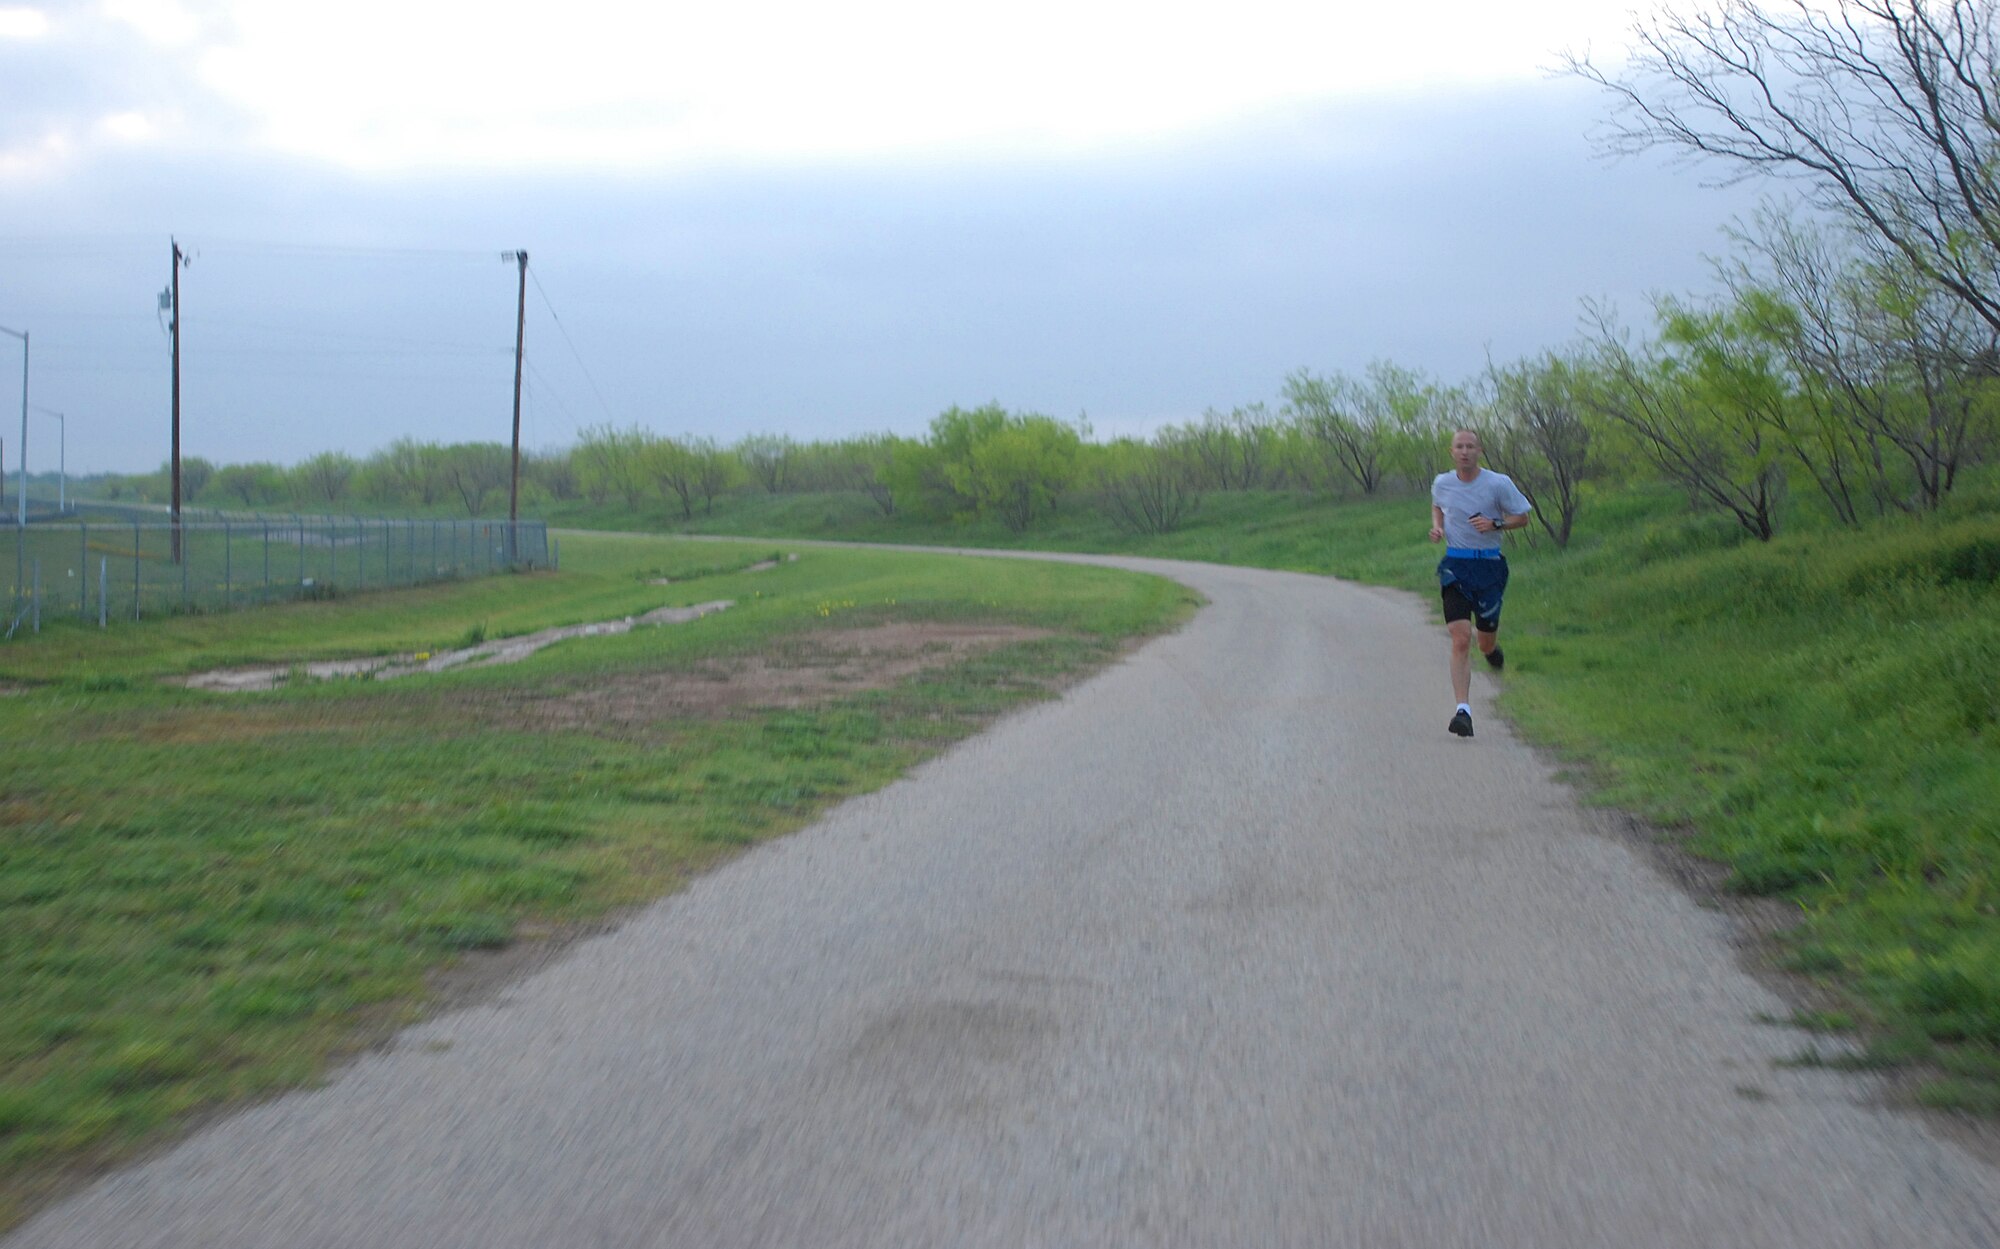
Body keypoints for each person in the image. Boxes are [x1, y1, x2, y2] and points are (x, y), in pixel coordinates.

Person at [1427, 428, 1532, 738]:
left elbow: (1523, 517)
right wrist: (1438, 528)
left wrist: (1495, 523)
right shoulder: (1442, 482)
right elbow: (1437, 506)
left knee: (1483, 639)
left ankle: (1491, 649)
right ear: (1451, 452)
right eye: (1459, 446)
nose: (1465, 451)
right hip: (1456, 565)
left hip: (1489, 566)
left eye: (1470, 446)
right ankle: (1464, 711)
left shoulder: (1498, 483)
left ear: (1480, 451)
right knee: (1460, 637)